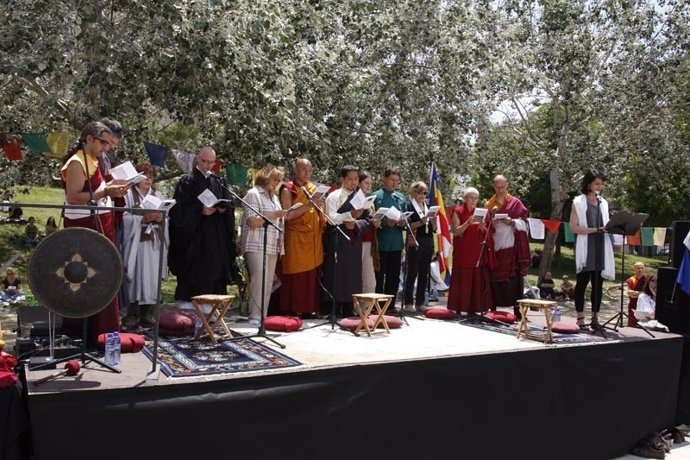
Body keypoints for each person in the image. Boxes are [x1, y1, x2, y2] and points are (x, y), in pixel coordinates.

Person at [60, 121, 128, 341]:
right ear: (89, 139)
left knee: (103, 275)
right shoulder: (76, 162)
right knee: (86, 275)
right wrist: (106, 191)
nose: (106, 148)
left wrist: (111, 186)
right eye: (103, 142)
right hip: (83, 226)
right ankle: (83, 330)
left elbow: (97, 188)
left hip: (100, 222)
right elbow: (74, 197)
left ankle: (103, 328)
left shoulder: (93, 160)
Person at [168, 146, 236, 309]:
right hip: (195, 239)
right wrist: (199, 210)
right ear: (198, 159)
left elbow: (230, 204)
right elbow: (178, 210)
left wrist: (223, 209)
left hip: (215, 236)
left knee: (214, 270)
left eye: (212, 162)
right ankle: (189, 313)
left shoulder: (218, 181)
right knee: (194, 274)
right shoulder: (187, 181)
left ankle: (211, 312)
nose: (208, 166)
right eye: (205, 161)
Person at [121, 162, 169, 329]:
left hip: (154, 241)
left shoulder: (158, 195)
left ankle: (148, 313)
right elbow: (123, 217)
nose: (149, 179)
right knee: (135, 276)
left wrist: (161, 218)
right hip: (137, 242)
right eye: (145, 175)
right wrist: (142, 219)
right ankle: (132, 313)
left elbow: (167, 216)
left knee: (152, 277)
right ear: (137, 177)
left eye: (151, 176)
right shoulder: (127, 195)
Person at [240, 164, 288, 326]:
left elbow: (278, 221)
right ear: (266, 177)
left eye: (279, 180)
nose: (276, 183)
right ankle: (254, 315)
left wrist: (281, 238)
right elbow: (252, 221)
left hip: (272, 244)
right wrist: (274, 215)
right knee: (258, 278)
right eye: (274, 179)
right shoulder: (253, 194)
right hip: (256, 243)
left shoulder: (274, 197)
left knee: (268, 282)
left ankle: (262, 315)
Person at [279, 159, 326, 317]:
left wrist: (320, 206)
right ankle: (292, 308)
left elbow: (321, 214)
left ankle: (308, 309)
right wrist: (308, 205)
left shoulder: (313, 189)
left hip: (313, 239)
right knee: (296, 275)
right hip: (295, 239)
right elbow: (288, 215)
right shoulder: (288, 189)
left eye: (309, 170)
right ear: (295, 170)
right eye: (303, 169)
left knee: (311, 277)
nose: (307, 173)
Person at [569, 169, 615, 329]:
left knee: (598, 283)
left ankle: (595, 317)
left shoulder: (604, 202)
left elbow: (607, 224)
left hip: (601, 245)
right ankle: (580, 317)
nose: (600, 186)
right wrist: (594, 230)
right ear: (589, 184)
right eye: (597, 183)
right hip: (586, 245)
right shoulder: (578, 202)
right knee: (582, 282)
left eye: (601, 184)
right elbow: (574, 228)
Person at [323, 165, 371, 317]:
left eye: (356, 179)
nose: (353, 182)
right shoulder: (334, 196)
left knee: (353, 274)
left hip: (354, 239)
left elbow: (366, 220)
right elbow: (330, 218)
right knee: (337, 273)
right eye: (350, 179)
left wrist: (356, 223)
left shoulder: (361, 197)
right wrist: (348, 216)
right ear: (342, 179)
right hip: (338, 237)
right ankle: (334, 308)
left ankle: (349, 308)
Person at [486, 175, 530, 318]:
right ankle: (492, 308)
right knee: (493, 277)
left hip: (512, 245)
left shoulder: (515, 203)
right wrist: (490, 224)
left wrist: (512, 221)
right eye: (497, 187)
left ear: (507, 186)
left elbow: (525, 222)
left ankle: (518, 311)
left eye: (503, 187)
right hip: (495, 245)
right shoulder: (489, 204)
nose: (500, 190)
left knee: (514, 279)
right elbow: (483, 226)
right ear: (494, 186)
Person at [447, 187, 493, 315]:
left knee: (476, 280)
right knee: (462, 280)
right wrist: (468, 222)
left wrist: (483, 228)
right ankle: (458, 307)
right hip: (463, 252)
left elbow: (487, 233)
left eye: (475, 198)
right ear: (465, 199)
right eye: (470, 197)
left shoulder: (482, 212)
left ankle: (474, 308)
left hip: (477, 251)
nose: (473, 200)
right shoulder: (458, 211)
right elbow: (456, 232)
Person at [373, 168, 407, 297]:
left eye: (397, 180)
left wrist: (402, 221)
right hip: (381, 242)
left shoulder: (401, 198)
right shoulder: (376, 196)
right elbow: (372, 218)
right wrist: (385, 223)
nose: (395, 183)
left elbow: (406, 217)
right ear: (384, 179)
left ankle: (391, 306)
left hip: (396, 243)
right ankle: (377, 305)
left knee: (394, 276)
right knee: (379, 276)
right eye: (392, 180)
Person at [403, 181, 436, 312]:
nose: (423, 195)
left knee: (424, 272)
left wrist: (433, 222)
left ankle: (420, 301)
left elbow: (433, 228)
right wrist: (421, 221)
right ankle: (408, 302)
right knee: (412, 272)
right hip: (415, 241)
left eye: (425, 193)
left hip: (428, 240)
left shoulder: (427, 206)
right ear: (414, 192)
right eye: (420, 192)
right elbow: (408, 225)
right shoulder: (409, 205)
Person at [358, 171, 380, 296]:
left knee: (369, 279)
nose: (369, 186)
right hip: (358, 241)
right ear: (359, 183)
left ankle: (366, 307)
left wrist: (376, 223)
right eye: (366, 183)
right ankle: (355, 308)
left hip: (370, 241)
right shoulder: (354, 198)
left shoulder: (370, 200)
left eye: (370, 183)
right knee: (358, 276)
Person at [626, 262, 648, 327]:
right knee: (632, 325)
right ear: (634, 269)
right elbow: (630, 293)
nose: (640, 270)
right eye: (638, 268)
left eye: (642, 268)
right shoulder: (631, 280)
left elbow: (649, 293)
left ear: (644, 269)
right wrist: (640, 293)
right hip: (633, 305)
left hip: (645, 305)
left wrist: (638, 293)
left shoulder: (648, 279)